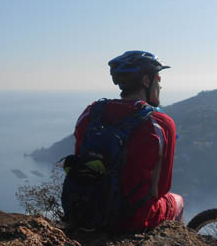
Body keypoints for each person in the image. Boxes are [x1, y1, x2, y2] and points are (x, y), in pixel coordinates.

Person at [72, 50, 183, 232]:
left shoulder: (90, 113)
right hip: (133, 220)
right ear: (146, 81)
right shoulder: (160, 123)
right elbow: (161, 189)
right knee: (177, 201)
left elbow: (80, 162)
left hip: (86, 211)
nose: (160, 85)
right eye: (159, 78)